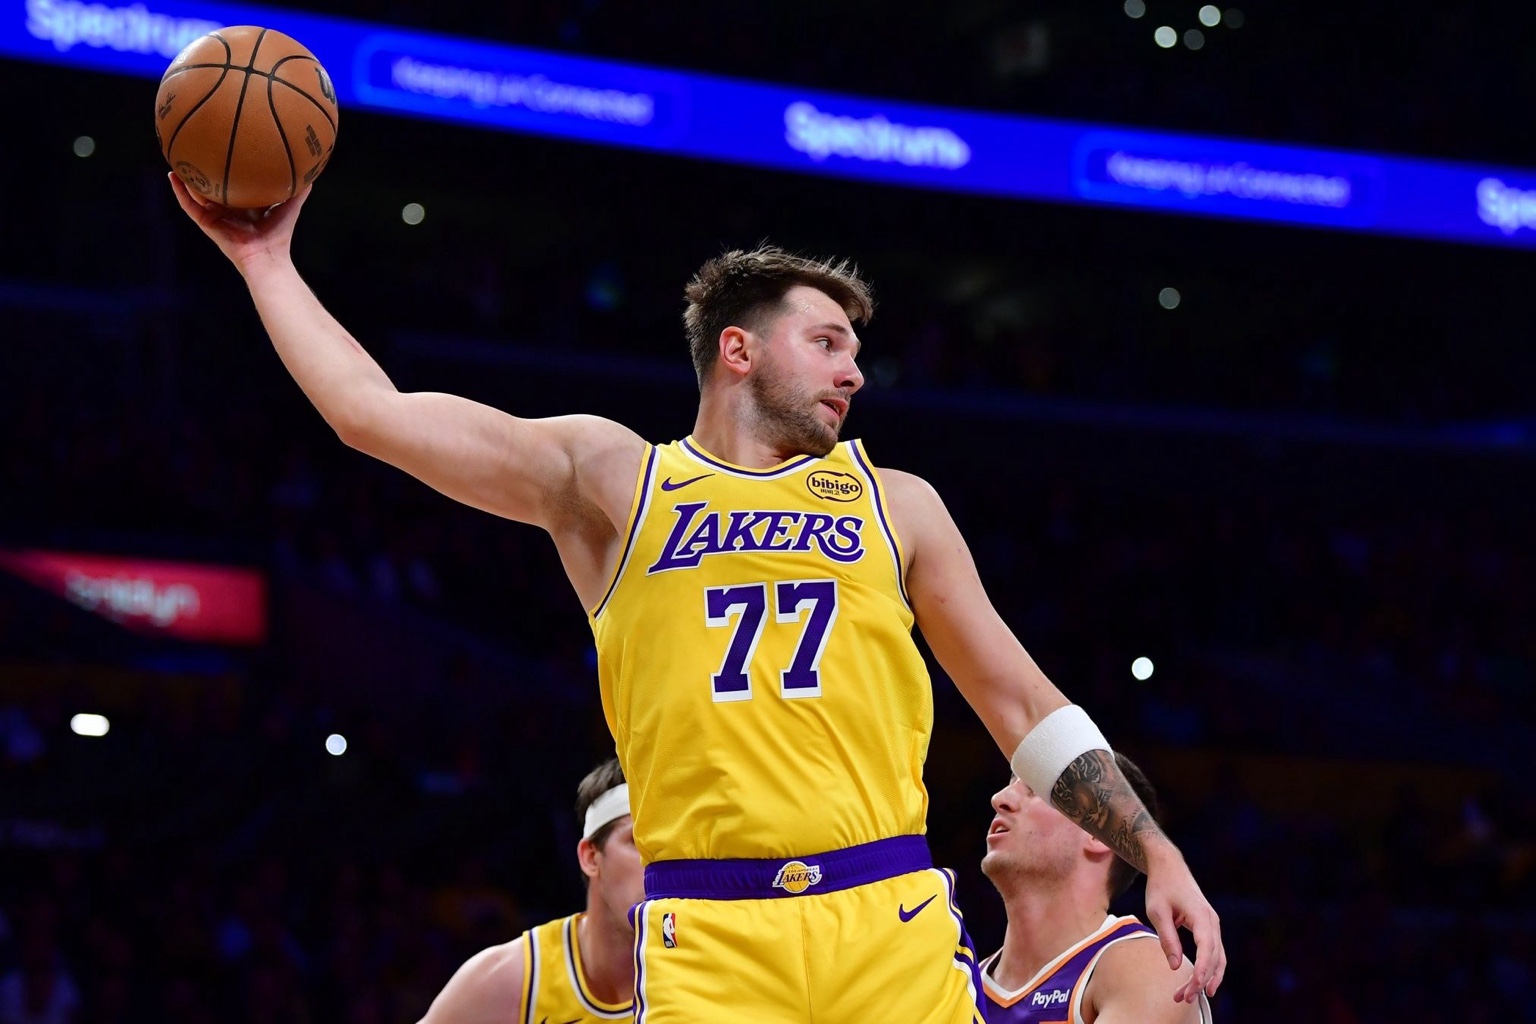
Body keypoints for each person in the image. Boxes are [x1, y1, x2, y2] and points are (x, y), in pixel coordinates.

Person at [170, 177, 1224, 1022]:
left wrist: (1156, 852)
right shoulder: (613, 483)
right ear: (739, 349)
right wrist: (264, 261)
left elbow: (1021, 704)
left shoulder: (895, 504)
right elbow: (371, 413)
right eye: (827, 342)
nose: (854, 371)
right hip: (713, 941)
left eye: (856, 351)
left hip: (886, 919)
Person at [980, 755, 1212, 1023]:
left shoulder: (1148, 968)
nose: (1000, 798)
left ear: (1098, 832)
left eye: (1037, 789)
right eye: (1011, 783)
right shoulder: (961, 984)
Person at [419, 759, 641, 1024]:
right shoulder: (507, 981)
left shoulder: (700, 978)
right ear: (591, 857)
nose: (657, 863)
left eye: (668, 847)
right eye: (637, 841)